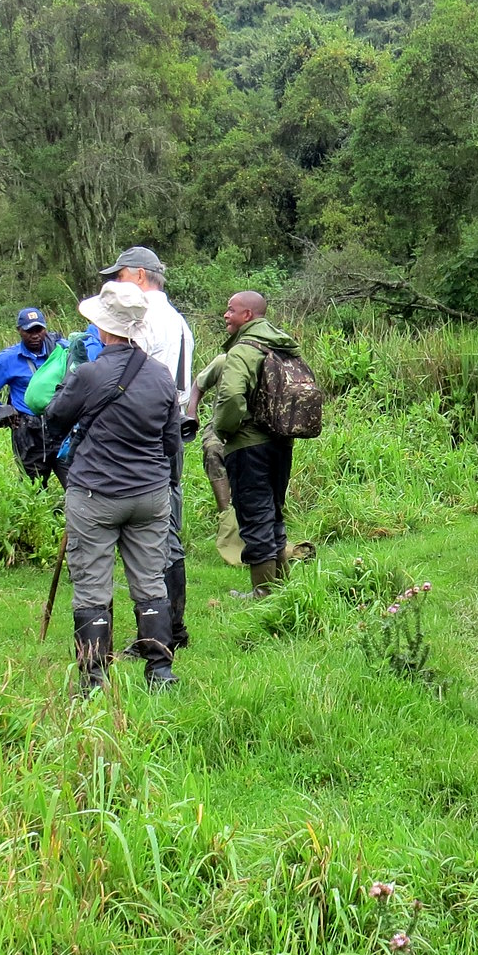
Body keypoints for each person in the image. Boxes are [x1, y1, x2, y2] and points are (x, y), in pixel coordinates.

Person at [44, 282, 183, 692]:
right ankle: (160, 671)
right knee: (150, 580)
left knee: (91, 584)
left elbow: (54, 419)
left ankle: (94, 679)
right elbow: (171, 441)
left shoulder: (88, 373)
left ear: (101, 328)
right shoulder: (160, 376)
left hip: (95, 494)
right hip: (150, 493)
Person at [99, 246, 197, 645]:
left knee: (157, 530)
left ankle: (167, 632)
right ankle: (172, 626)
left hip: (143, 431)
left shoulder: (144, 318)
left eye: (119, 276)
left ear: (139, 276)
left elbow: (127, 376)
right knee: (166, 519)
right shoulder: (179, 320)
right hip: (171, 428)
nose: (115, 284)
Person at [209, 292, 318, 592]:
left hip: (247, 446)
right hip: (281, 443)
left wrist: (223, 429)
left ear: (247, 315)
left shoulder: (243, 350)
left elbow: (231, 396)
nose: (225, 315)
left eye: (230, 310)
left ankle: (264, 597)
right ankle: (282, 591)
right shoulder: (283, 346)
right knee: (273, 513)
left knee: (255, 518)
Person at [0, 306, 61, 481]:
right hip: (29, 431)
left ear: (45, 329)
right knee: (33, 486)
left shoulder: (60, 352)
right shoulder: (8, 359)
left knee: (75, 483)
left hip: (60, 427)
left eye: (39, 330)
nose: (35, 335)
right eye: (29, 331)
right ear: (19, 331)